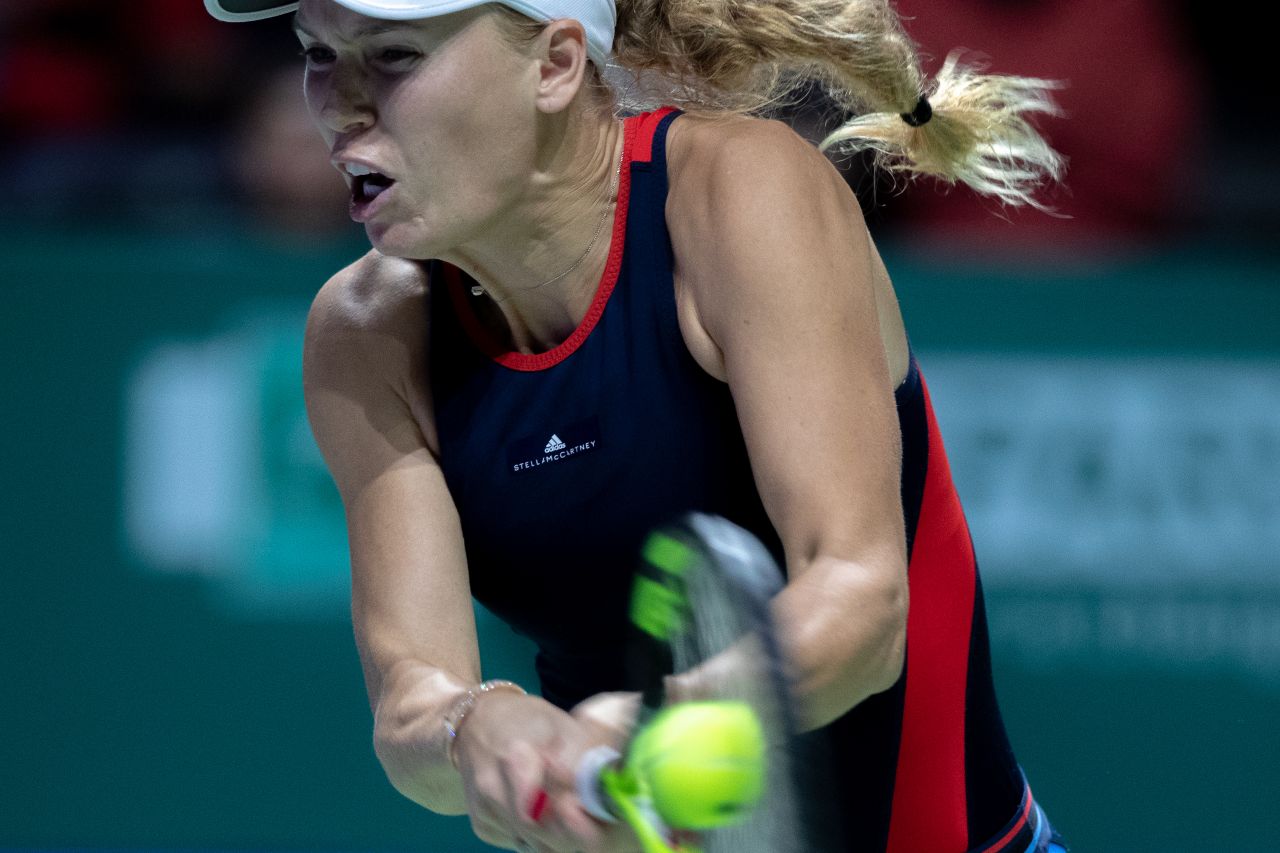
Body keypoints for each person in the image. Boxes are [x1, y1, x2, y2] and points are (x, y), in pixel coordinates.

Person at [205, 1, 1068, 850]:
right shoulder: (365, 334)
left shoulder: (739, 194)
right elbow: (411, 707)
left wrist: (657, 723)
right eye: (319, 53)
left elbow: (862, 605)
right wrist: (480, 731)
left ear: (554, 65)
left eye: (393, 57)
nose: (337, 104)